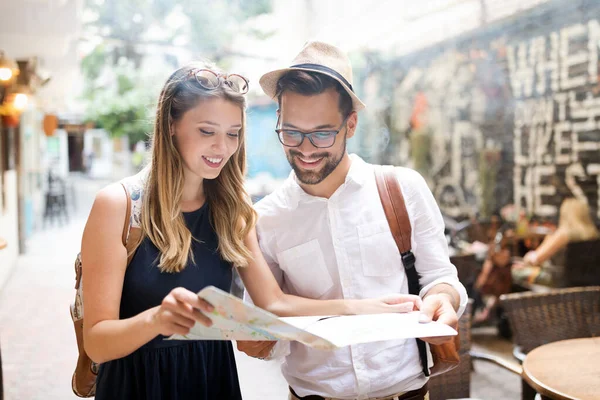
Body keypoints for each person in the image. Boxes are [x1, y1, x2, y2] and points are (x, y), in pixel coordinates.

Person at [81, 62, 422, 400]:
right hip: (138, 385)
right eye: (207, 131)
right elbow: (96, 343)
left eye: (233, 134)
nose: (222, 148)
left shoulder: (232, 208)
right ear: (171, 124)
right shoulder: (119, 206)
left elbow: (273, 302)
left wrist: (363, 307)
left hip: (212, 380)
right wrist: (156, 320)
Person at [237, 41, 467, 400]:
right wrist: (260, 338)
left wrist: (444, 302)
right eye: (292, 132)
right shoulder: (267, 218)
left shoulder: (401, 189)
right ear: (278, 121)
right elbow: (269, 331)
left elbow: (440, 278)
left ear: (351, 124)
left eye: (323, 133)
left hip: (405, 393)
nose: (306, 149)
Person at [512, 198, 599, 286]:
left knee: (514, 272)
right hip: (592, 286)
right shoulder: (594, 235)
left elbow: (536, 258)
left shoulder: (563, 234)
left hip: (563, 282)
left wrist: (526, 259)